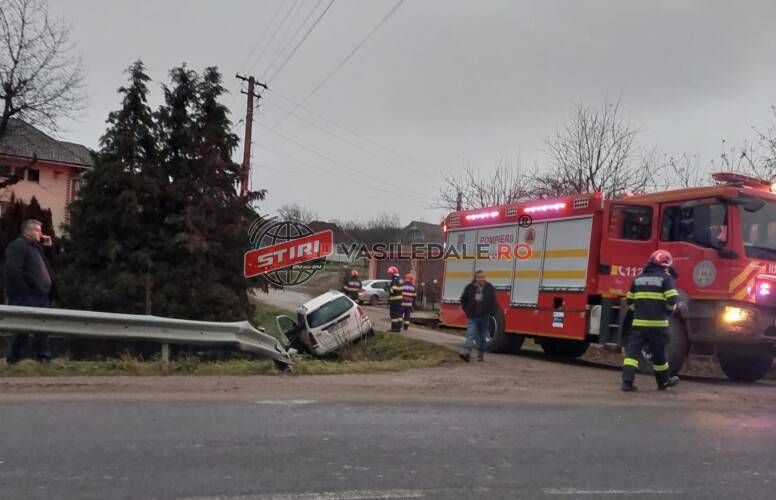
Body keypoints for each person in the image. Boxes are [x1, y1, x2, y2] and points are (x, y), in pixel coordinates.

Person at [622, 249, 680, 392]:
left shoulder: (639, 277)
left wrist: (638, 311)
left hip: (638, 324)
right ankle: (663, 383)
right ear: (665, 265)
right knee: (659, 354)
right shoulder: (666, 279)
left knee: (632, 354)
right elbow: (672, 298)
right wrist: (669, 310)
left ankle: (627, 383)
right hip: (657, 325)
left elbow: (629, 298)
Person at [5, 219, 57, 364]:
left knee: (42, 326)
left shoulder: (36, 247)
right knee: (23, 328)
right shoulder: (18, 245)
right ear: (28, 231)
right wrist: (24, 292)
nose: (40, 233)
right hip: (28, 295)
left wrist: (48, 248)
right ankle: (13, 359)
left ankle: (43, 357)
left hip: (42, 294)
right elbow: (14, 270)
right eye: (37, 230)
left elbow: (49, 266)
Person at [459, 270, 498, 362]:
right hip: (472, 316)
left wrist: (491, 312)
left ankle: (480, 354)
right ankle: (467, 352)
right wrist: (467, 311)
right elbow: (463, 300)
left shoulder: (489, 287)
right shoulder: (469, 287)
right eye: (480, 277)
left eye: (483, 277)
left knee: (482, 337)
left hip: (484, 317)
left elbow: (494, 301)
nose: (482, 279)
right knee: (470, 334)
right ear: (475, 278)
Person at [387, 266, 403, 332]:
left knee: (393, 314)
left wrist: (388, 288)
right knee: (399, 314)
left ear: (393, 273)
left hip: (394, 300)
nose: (389, 275)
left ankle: (394, 328)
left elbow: (393, 292)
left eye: (390, 273)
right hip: (400, 299)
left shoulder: (395, 280)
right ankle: (399, 327)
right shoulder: (400, 279)